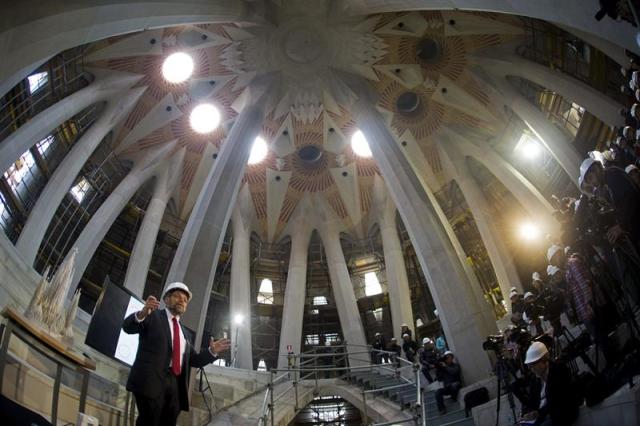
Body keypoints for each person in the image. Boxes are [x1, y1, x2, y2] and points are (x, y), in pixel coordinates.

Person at [122, 282, 230, 426]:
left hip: (175, 387)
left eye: (185, 300)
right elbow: (128, 327)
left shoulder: (185, 333)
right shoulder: (153, 316)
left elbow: (194, 360)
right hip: (151, 382)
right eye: (177, 296)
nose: (181, 301)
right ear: (166, 300)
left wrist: (211, 352)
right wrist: (142, 313)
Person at [519, 342, 580, 425]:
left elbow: (558, 399)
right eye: (529, 365)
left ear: (544, 360)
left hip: (561, 413)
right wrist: (528, 412)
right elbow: (532, 401)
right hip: (543, 415)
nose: (531, 368)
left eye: (533, 364)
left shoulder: (558, 369)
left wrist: (539, 413)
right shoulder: (534, 378)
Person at [434, 351, 462, 415]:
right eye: (446, 358)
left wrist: (446, 367)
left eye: (449, 357)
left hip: (455, 384)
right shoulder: (442, 368)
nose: (447, 359)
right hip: (447, 387)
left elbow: (454, 372)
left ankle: (454, 398)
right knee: (438, 392)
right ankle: (442, 409)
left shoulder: (455, 365)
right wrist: (438, 369)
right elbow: (439, 379)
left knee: (454, 385)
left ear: (452, 357)